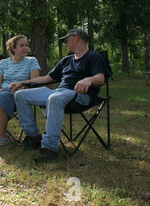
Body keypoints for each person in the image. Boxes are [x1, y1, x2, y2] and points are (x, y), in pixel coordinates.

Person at [9, 28, 111, 163]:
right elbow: (47, 78)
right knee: (21, 95)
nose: (65, 44)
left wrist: (89, 79)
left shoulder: (93, 57)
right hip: (58, 92)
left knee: (54, 98)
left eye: (66, 41)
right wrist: (22, 82)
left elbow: (100, 78)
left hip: (79, 95)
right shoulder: (66, 60)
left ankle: (49, 149)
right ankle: (33, 137)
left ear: (76, 39)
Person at [0, 35, 40, 147]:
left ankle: (2, 135)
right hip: (2, 90)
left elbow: (34, 80)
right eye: (22, 46)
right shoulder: (4, 62)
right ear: (13, 48)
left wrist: (23, 85)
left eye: (26, 45)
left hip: (18, 92)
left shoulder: (31, 61)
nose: (25, 48)